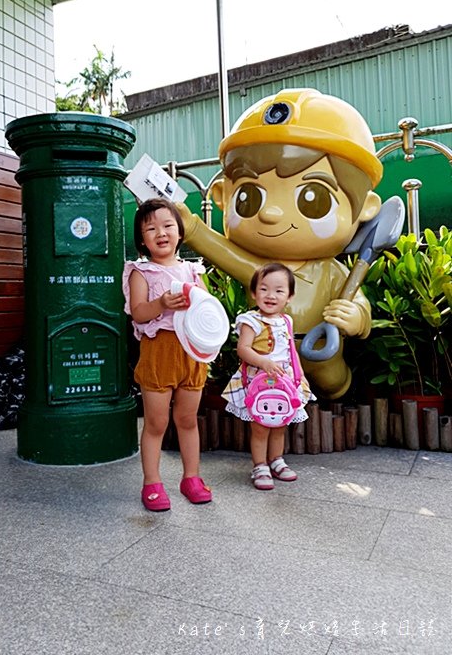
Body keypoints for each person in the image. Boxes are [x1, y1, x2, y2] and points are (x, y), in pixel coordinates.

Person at [178, 88, 384, 400]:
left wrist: (358, 317)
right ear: (222, 196)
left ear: (366, 207)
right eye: (248, 196)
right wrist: (189, 225)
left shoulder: (331, 271)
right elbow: (221, 251)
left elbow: (359, 301)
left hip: (321, 349)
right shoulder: (263, 272)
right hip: (269, 352)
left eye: (312, 198)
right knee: (269, 394)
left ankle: (330, 395)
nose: (272, 213)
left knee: (331, 379)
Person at [122, 197, 212, 512]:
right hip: (158, 353)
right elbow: (138, 313)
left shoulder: (192, 269)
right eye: (151, 228)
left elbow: (207, 311)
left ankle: (191, 477)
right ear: (142, 239)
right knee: (156, 423)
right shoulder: (140, 271)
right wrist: (162, 304)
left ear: (179, 231)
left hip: (191, 353)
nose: (161, 232)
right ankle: (152, 482)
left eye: (168, 225)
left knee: (187, 420)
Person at [222, 262, 313, 490]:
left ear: (289, 296)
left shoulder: (286, 321)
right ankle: (260, 465)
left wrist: (299, 376)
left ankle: (277, 460)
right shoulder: (250, 320)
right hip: (258, 382)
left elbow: (291, 350)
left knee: (280, 423)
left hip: (284, 382)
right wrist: (264, 362)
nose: (270, 295)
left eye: (279, 290)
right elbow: (243, 349)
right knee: (261, 425)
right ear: (254, 293)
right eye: (263, 289)